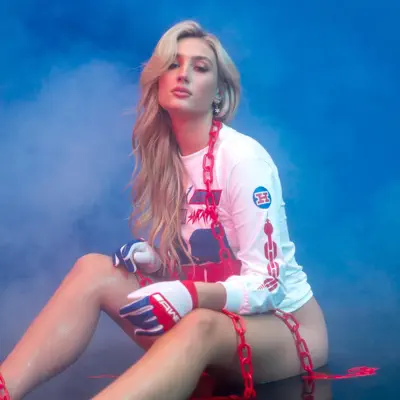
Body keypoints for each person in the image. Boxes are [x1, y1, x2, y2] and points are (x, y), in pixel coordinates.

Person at [0, 20, 329, 400]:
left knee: (200, 324)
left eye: (200, 67)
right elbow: (205, 257)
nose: (183, 74)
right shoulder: (167, 158)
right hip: (216, 320)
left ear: (218, 94)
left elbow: (269, 284)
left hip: (285, 328)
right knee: (93, 269)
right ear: (158, 81)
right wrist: (157, 264)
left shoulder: (243, 159)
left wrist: (189, 295)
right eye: (173, 64)